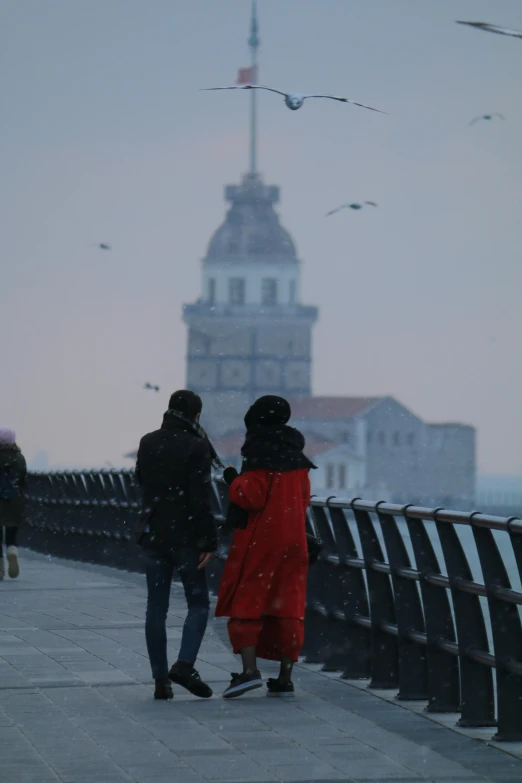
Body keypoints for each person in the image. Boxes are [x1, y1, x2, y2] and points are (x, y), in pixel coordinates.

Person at [215, 395, 315, 699]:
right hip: (295, 543)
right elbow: (305, 500)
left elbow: (251, 497)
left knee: (249, 601)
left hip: (261, 542)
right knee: (289, 606)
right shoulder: (298, 460)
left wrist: (233, 480)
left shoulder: (260, 455)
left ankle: (249, 672)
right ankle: (285, 677)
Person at [135, 390, 217, 700]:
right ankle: (183, 665)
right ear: (196, 416)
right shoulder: (197, 445)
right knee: (198, 603)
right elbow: (200, 498)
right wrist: (208, 540)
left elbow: (142, 481)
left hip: (154, 533)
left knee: (156, 606)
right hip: (186, 538)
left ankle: (160, 681)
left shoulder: (147, 441)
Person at [0, 428, 27, 581]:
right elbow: (23, 479)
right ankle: (12, 552)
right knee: (11, 532)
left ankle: (0, 570)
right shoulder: (19, 458)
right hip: (14, 501)